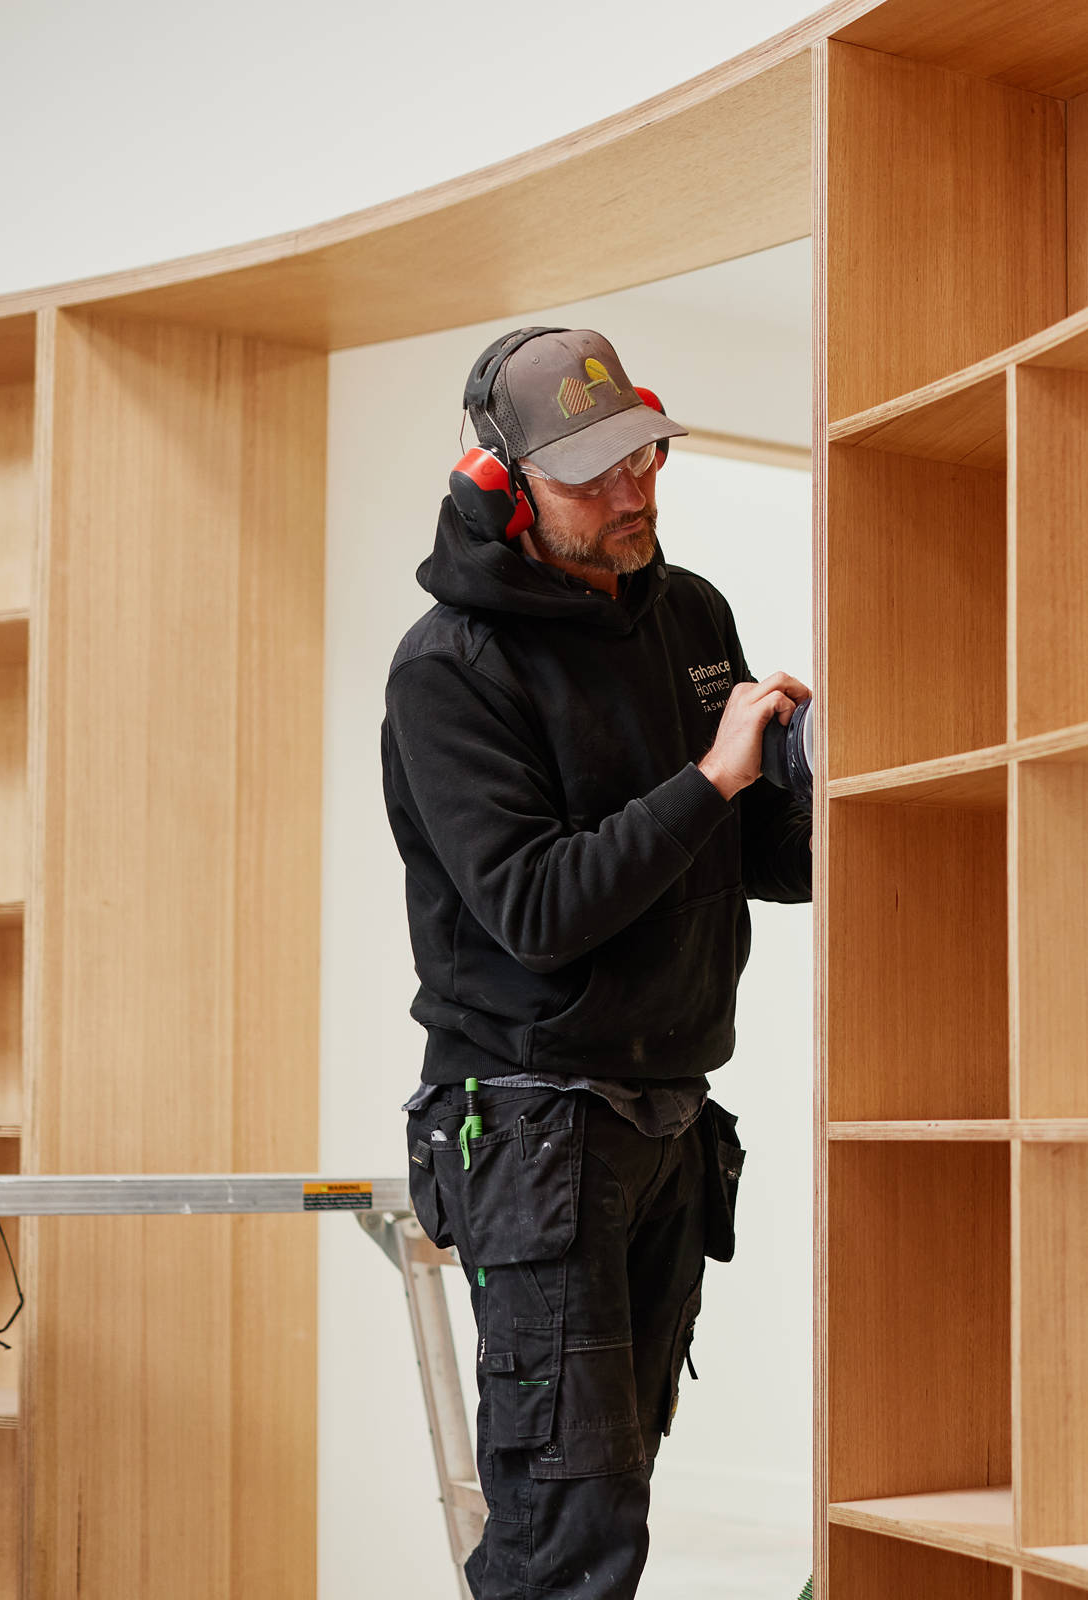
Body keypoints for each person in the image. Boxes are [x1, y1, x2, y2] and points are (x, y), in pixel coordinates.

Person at [383, 326, 811, 1599]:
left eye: (646, 454)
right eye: (595, 474)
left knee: (612, 1492)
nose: (638, 493)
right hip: (529, 1125)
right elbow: (536, 905)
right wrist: (714, 774)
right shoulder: (450, 670)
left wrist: (817, 779)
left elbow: (753, 859)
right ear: (503, 485)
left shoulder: (689, 614)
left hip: (667, 1110)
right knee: (569, 1528)